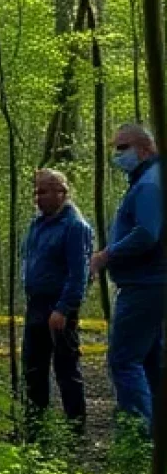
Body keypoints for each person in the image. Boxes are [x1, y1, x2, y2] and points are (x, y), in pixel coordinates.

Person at [90, 124, 166, 429]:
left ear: (144, 148)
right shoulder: (148, 180)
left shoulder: (150, 184)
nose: (117, 155)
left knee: (123, 360)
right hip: (150, 283)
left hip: (145, 285)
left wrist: (106, 255)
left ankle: (137, 440)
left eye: (123, 148)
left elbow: (147, 233)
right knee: (150, 361)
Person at [21, 168, 91, 438]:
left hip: (58, 308)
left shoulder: (75, 227)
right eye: (36, 191)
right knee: (33, 368)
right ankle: (35, 428)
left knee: (65, 369)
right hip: (36, 305)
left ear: (61, 193)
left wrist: (63, 308)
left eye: (43, 192)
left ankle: (76, 430)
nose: (37, 197)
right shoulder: (38, 224)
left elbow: (79, 274)